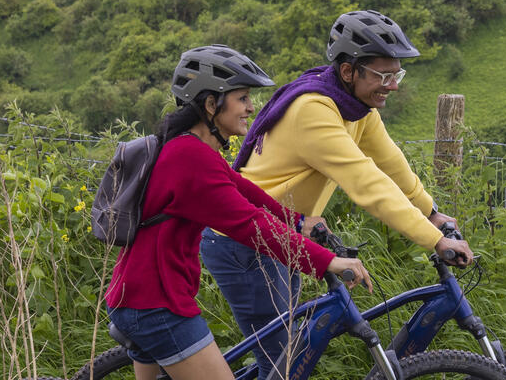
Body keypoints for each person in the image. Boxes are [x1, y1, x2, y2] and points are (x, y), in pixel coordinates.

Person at [202, 10, 471, 380]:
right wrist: (434, 240)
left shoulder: (356, 108)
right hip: (246, 241)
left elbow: (390, 163)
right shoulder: (314, 110)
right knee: (283, 368)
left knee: (287, 357)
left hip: (285, 234)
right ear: (349, 72)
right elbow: (366, 183)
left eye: (397, 75)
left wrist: (432, 213)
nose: (393, 85)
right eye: (383, 75)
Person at [105, 45, 372, 380]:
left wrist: (299, 222)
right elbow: (250, 225)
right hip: (157, 307)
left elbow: (248, 193)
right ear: (210, 104)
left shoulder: (191, 148)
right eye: (243, 97)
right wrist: (326, 261)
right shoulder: (191, 159)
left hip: (141, 297)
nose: (251, 107)